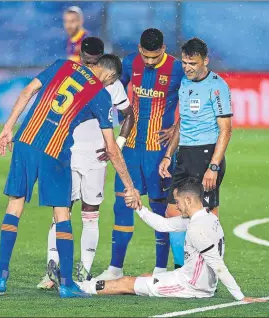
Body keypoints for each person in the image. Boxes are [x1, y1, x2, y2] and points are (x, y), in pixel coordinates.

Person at [0, 54, 142, 298]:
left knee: (14, 207)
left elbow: (27, 91)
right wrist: (130, 186)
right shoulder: (100, 95)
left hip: (25, 141)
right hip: (54, 151)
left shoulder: (63, 65)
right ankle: (67, 283)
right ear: (110, 76)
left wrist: (8, 127)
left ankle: (0, 279)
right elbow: (111, 148)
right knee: (62, 213)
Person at [57, 177, 266, 304]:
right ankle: (89, 284)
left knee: (128, 283)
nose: (177, 206)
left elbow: (218, 266)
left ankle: (82, 287)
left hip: (191, 287)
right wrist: (140, 208)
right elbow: (163, 225)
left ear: (189, 200)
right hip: (194, 280)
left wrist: (240, 296)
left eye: (178, 202)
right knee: (146, 276)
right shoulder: (206, 218)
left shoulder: (197, 229)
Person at [37, 37, 134, 290]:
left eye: (93, 61)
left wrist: (119, 144)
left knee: (90, 216)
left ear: (101, 60)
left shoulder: (112, 85)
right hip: (67, 155)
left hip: (96, 159)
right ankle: (52, 270)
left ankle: (83, 272)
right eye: (85, 60)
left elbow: (128, 115)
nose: (88, 65)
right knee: (61, 212)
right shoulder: (71, 78)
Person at [96, 28, 184, 281]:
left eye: (154, 58)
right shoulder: (129, 62)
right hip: (131, 150)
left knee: (160, 210)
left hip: (158, 152)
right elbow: (111, 91)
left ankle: (160, 270)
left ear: (164, 50)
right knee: (122, 207)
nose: (148, 62)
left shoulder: (177, 69)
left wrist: (176, 129)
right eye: (145, 56)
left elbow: (189, 104)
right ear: (139, 49)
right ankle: (115, 269)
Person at [159, 38, 234, 266]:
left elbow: (226, 130)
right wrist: (168, 155)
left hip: (206, 156)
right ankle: (183, 269)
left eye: (192, 63)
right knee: (173, 213)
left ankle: (210, 270)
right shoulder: (185, 83)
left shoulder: (218, 86)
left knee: (207, 219)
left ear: (205, 61)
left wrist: (213, 166)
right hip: (184, 156)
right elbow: (182, 122)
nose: (187, 67)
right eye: (184, 62)